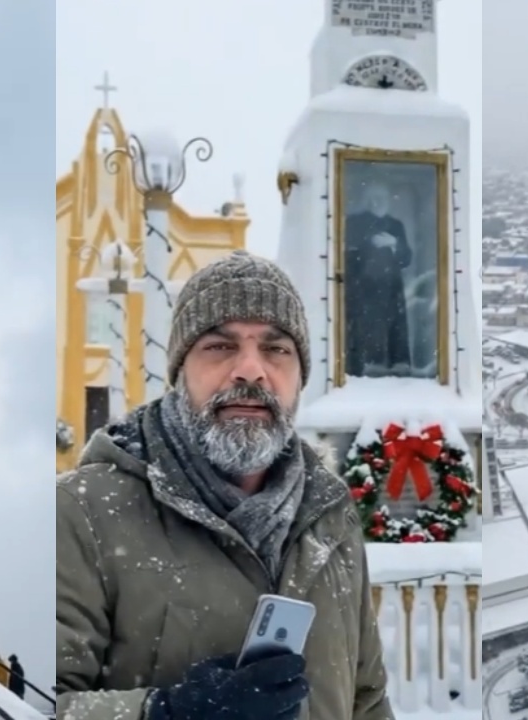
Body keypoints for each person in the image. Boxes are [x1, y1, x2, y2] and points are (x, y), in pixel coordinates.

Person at [56, 251, 393, 720]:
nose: (251, 370)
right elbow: (30, 702)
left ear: (299, 377)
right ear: (180, 371)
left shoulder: (329, 515)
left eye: (276, 349)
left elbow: (368, 699)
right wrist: (167, 713)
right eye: (220, 346)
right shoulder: (83, 512)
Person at [342, 182, 414, 377]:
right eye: (373, 198)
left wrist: (394, 244)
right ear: (367, 201)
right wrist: (367, 246)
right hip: (363, 288)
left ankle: (397, 366)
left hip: (391, 288)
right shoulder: (354, 223)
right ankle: (364, 367)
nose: (377, 203)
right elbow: (347, 253)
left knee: (394, 329)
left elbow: (406, 259)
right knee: (365, 331)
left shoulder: (395, 225)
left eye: (381, 198)